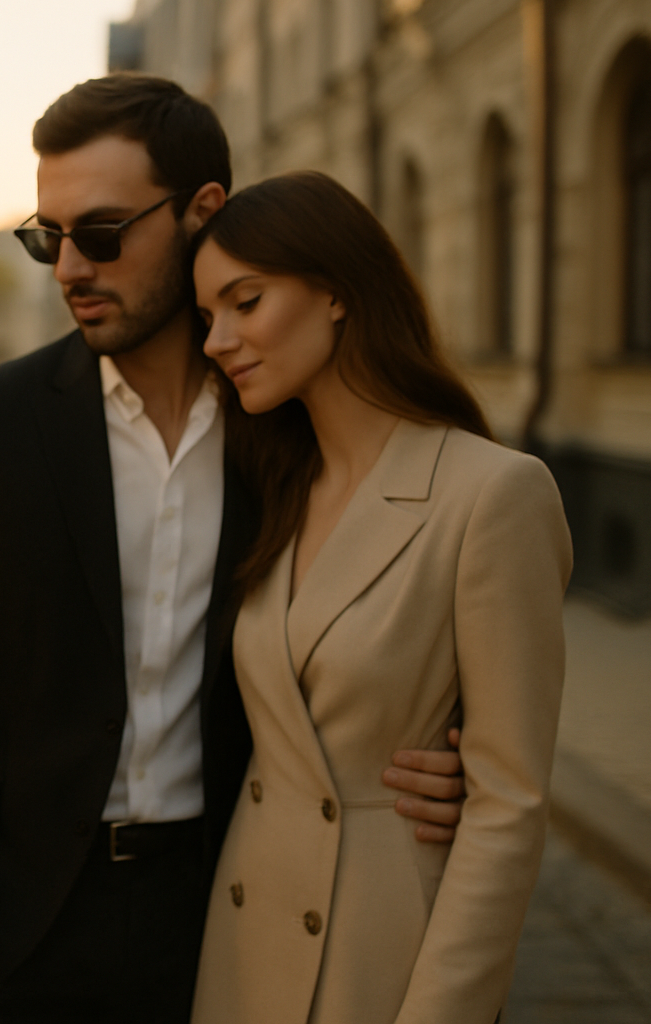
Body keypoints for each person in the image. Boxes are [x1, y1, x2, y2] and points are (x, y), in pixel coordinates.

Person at [0, 74, 469, 1023]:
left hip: (231, 900)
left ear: (202, 212)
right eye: (46, 238)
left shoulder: (291, 433)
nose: (68, 269)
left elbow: (400, 621)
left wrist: (450, 748)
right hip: (7, 918)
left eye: (100, 235)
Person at [189, 170, 570, 1023]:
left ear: (334, 292)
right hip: (243, 944)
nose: (217, 338)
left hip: (377, 954)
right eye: (208, 315)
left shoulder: (494, 494)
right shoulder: (278, 485)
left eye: (244, 302)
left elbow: (509, 807)